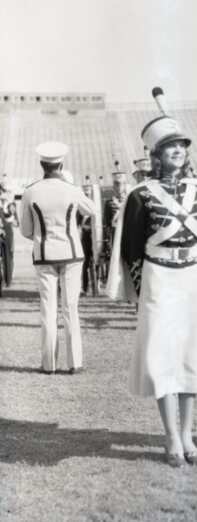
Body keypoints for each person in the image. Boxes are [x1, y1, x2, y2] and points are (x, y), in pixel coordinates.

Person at [106, 90, 197, 468]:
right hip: (158, 279)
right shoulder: (140, 194)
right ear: (155, 154)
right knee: (161, 356)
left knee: (191, 354)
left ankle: (188, 434)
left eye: (181, 145)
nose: (177, 150)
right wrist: (145, 289)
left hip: (191, 277)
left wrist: (195, 269)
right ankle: (170, 436)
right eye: (170, 145)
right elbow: (131, 249)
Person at [19, 142, 96, 374]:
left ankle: (49, 364)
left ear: (42, 165)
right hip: (71, 253)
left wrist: (42, 236)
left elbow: (25, 230)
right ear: (61, 165)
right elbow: (91, 210)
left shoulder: (30, 190)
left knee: (48, 308)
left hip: (44, 254)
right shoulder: (71, 189)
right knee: (71, 307)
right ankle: (75, 363)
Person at [103, 162, 128, 253]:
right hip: (115, 232)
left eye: (122, 184)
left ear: (125, 186)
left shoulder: (129, 200)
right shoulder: (109, 203)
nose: (119, 187)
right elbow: (107, 222)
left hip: (126, 231)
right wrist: (108, 237)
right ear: (114, 187)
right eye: (117, 185)